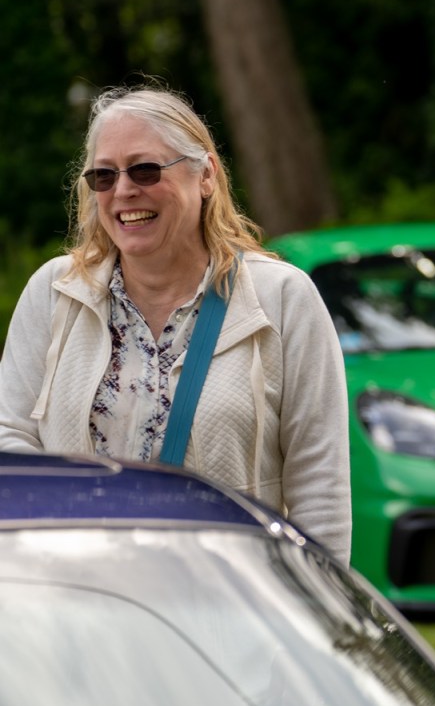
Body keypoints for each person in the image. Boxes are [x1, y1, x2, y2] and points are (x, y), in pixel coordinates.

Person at [0, 83, 352, 564]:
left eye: (144, 169)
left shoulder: (282, 299)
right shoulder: (56, 291)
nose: (124, 190)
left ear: (205, 175)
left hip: (228, 596)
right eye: (104, 175)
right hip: (81, 591)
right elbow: (10, 438)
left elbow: (319, 485)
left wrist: (315, 602)